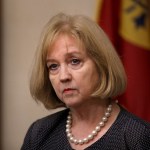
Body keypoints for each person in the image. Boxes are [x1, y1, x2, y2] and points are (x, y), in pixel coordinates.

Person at [21, 13, 150, 150]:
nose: (63, 76)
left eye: (75, 61)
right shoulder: (38, 133)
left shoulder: (138, 136)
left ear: (101, 65)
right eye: (53, 66)